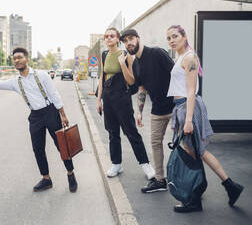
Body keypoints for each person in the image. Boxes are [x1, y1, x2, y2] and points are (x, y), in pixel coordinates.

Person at [0, 47, 78, 193]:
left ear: (27, 59)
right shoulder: (15, 82)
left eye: (20, 57)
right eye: (14, 58)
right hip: (35, 116)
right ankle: (46, 179)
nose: (17, 60)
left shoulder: (41, 75)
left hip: (50, 112)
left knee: (61, 146)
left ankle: (70, 174)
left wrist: (62, 114)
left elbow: (54, 94)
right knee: (38, 149)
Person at [166, 25, 244, 213]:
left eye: (175, 36)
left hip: (188, 107)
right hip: (182, 108)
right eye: (168, 38)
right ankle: (226, 187)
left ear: (185, 37)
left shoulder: (190, 57)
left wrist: (188, 120)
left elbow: (191, 90)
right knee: (197, 151)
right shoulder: (181, 57)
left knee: (195, 151)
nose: (171, 40)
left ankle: (197, 196)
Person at [120, 29, 175, 193]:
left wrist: (182, 103)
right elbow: (141, 88)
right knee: (155, 144)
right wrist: (139, 112)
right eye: (125, 41)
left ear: (138, 38)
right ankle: (159, 180)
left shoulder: (157, 53)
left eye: (131, 39)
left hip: (175, 107)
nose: (128, 43)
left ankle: (192, 184)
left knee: (184, 146)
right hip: (157, 110)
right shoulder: (136, 63)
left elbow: (177, 74)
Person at [96, 27, 155, 179]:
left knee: (131, 133)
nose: (108, 38)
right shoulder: (104, 54)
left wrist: (122, 64)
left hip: (122, 98)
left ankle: (146, 165)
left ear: (117, 39)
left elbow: (131, 81)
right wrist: (99, 100)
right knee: (112, 133)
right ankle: (116, 164)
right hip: (108, 98)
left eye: (112, 36)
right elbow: (102, 77)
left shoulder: (126, 55)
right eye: (106, 36)